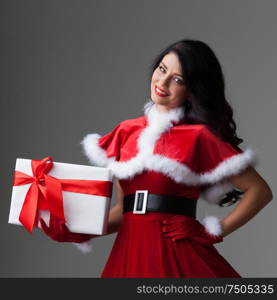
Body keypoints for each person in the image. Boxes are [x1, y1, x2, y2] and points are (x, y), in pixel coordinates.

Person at [40, 39, 273, 277]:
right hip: (128, 253)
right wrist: (76, 230)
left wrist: (213, 231)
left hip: (173, 252)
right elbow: (123, 212)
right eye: (162, 69)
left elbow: (260, 191)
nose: (162, 82)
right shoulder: (125, 131)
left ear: (193, 90)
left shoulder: (198, 137)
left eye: (178, 79)